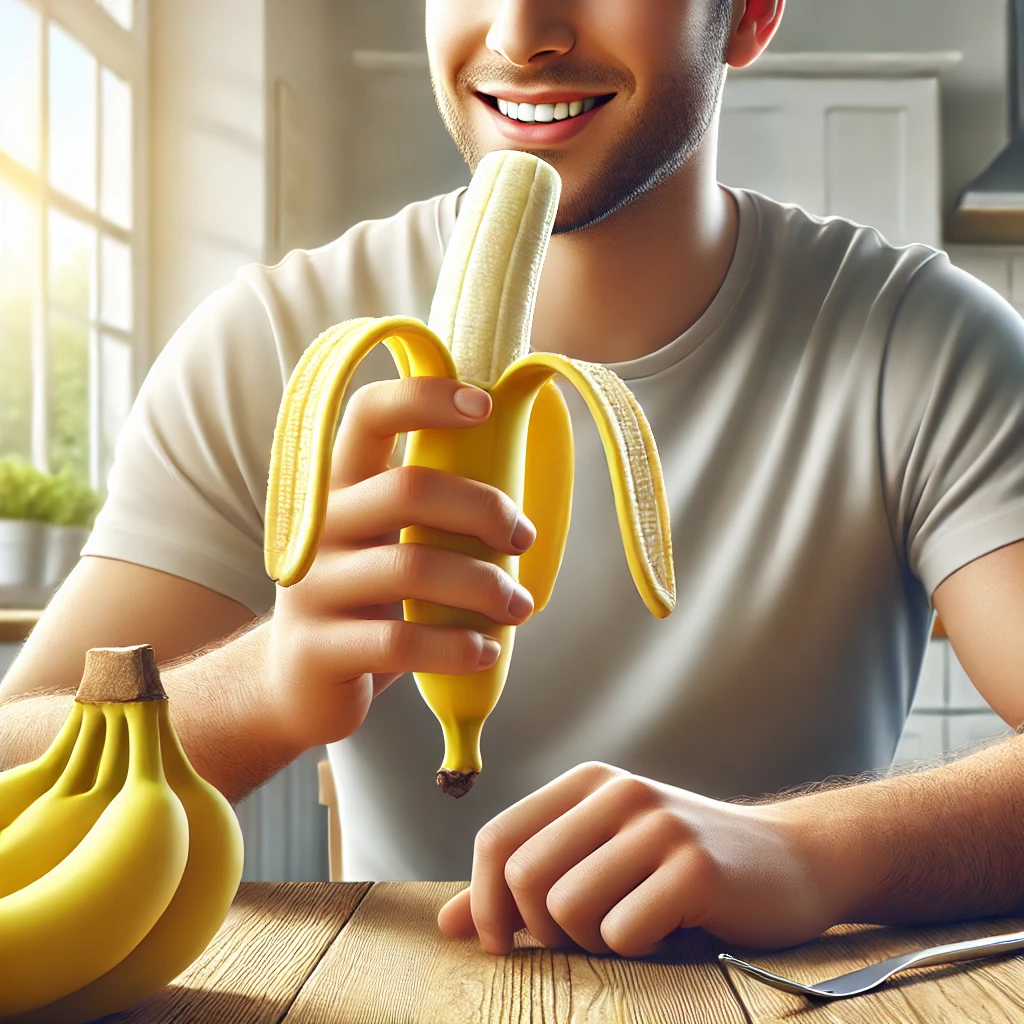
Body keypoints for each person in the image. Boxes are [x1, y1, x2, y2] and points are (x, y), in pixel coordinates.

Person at [4, 0, 1024, 958]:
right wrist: (268, 684)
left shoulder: (921, 341)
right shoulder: (266, 343)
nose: (521, 30)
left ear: (751, 11)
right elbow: (16, 759)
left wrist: (817, 850)